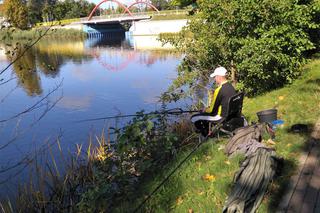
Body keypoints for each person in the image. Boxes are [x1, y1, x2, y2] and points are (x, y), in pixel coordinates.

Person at [191, 66, 236, 136]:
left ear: (219, 77)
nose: (215, 79)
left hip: (221, 117)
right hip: (231, 114)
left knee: (194, 118)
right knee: (203, 115)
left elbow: (212, 110)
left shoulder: (219, 90)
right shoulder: (230, 86)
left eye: (215, 77)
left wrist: (204, 110)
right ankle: (209, 130)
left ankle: (207, 135)